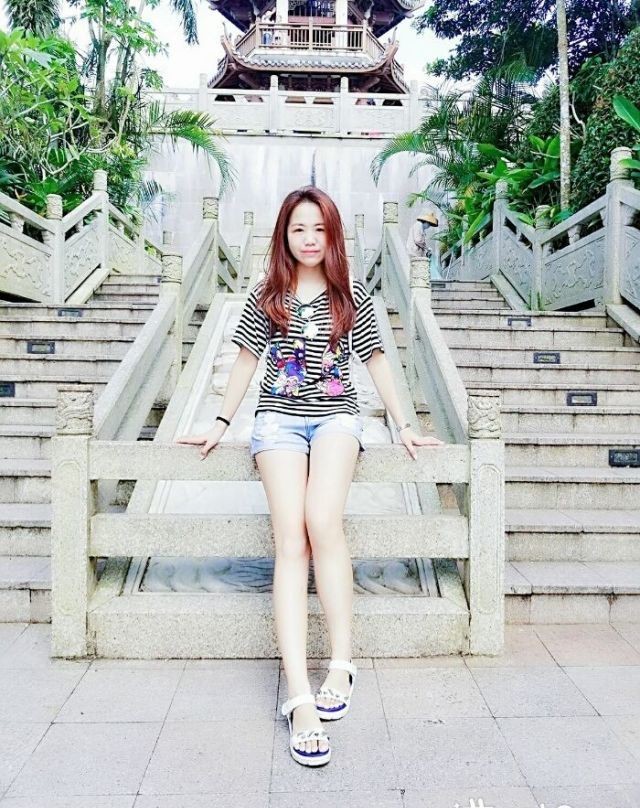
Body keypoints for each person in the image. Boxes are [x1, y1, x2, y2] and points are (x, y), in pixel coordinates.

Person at [175, 186, 444, 768]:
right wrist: (219, 421)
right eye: (298, 229)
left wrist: (403, 425)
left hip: (337, 418)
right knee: (290, 541)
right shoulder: (267, 295)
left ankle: (342, 662)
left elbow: (376, 361)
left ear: (333, 235)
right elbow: (246, 359)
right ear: (284, 235)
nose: (309, 239)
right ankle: (299, 695)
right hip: (276, 420)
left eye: (319, 229)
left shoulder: (351, 295)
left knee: (323, 521)